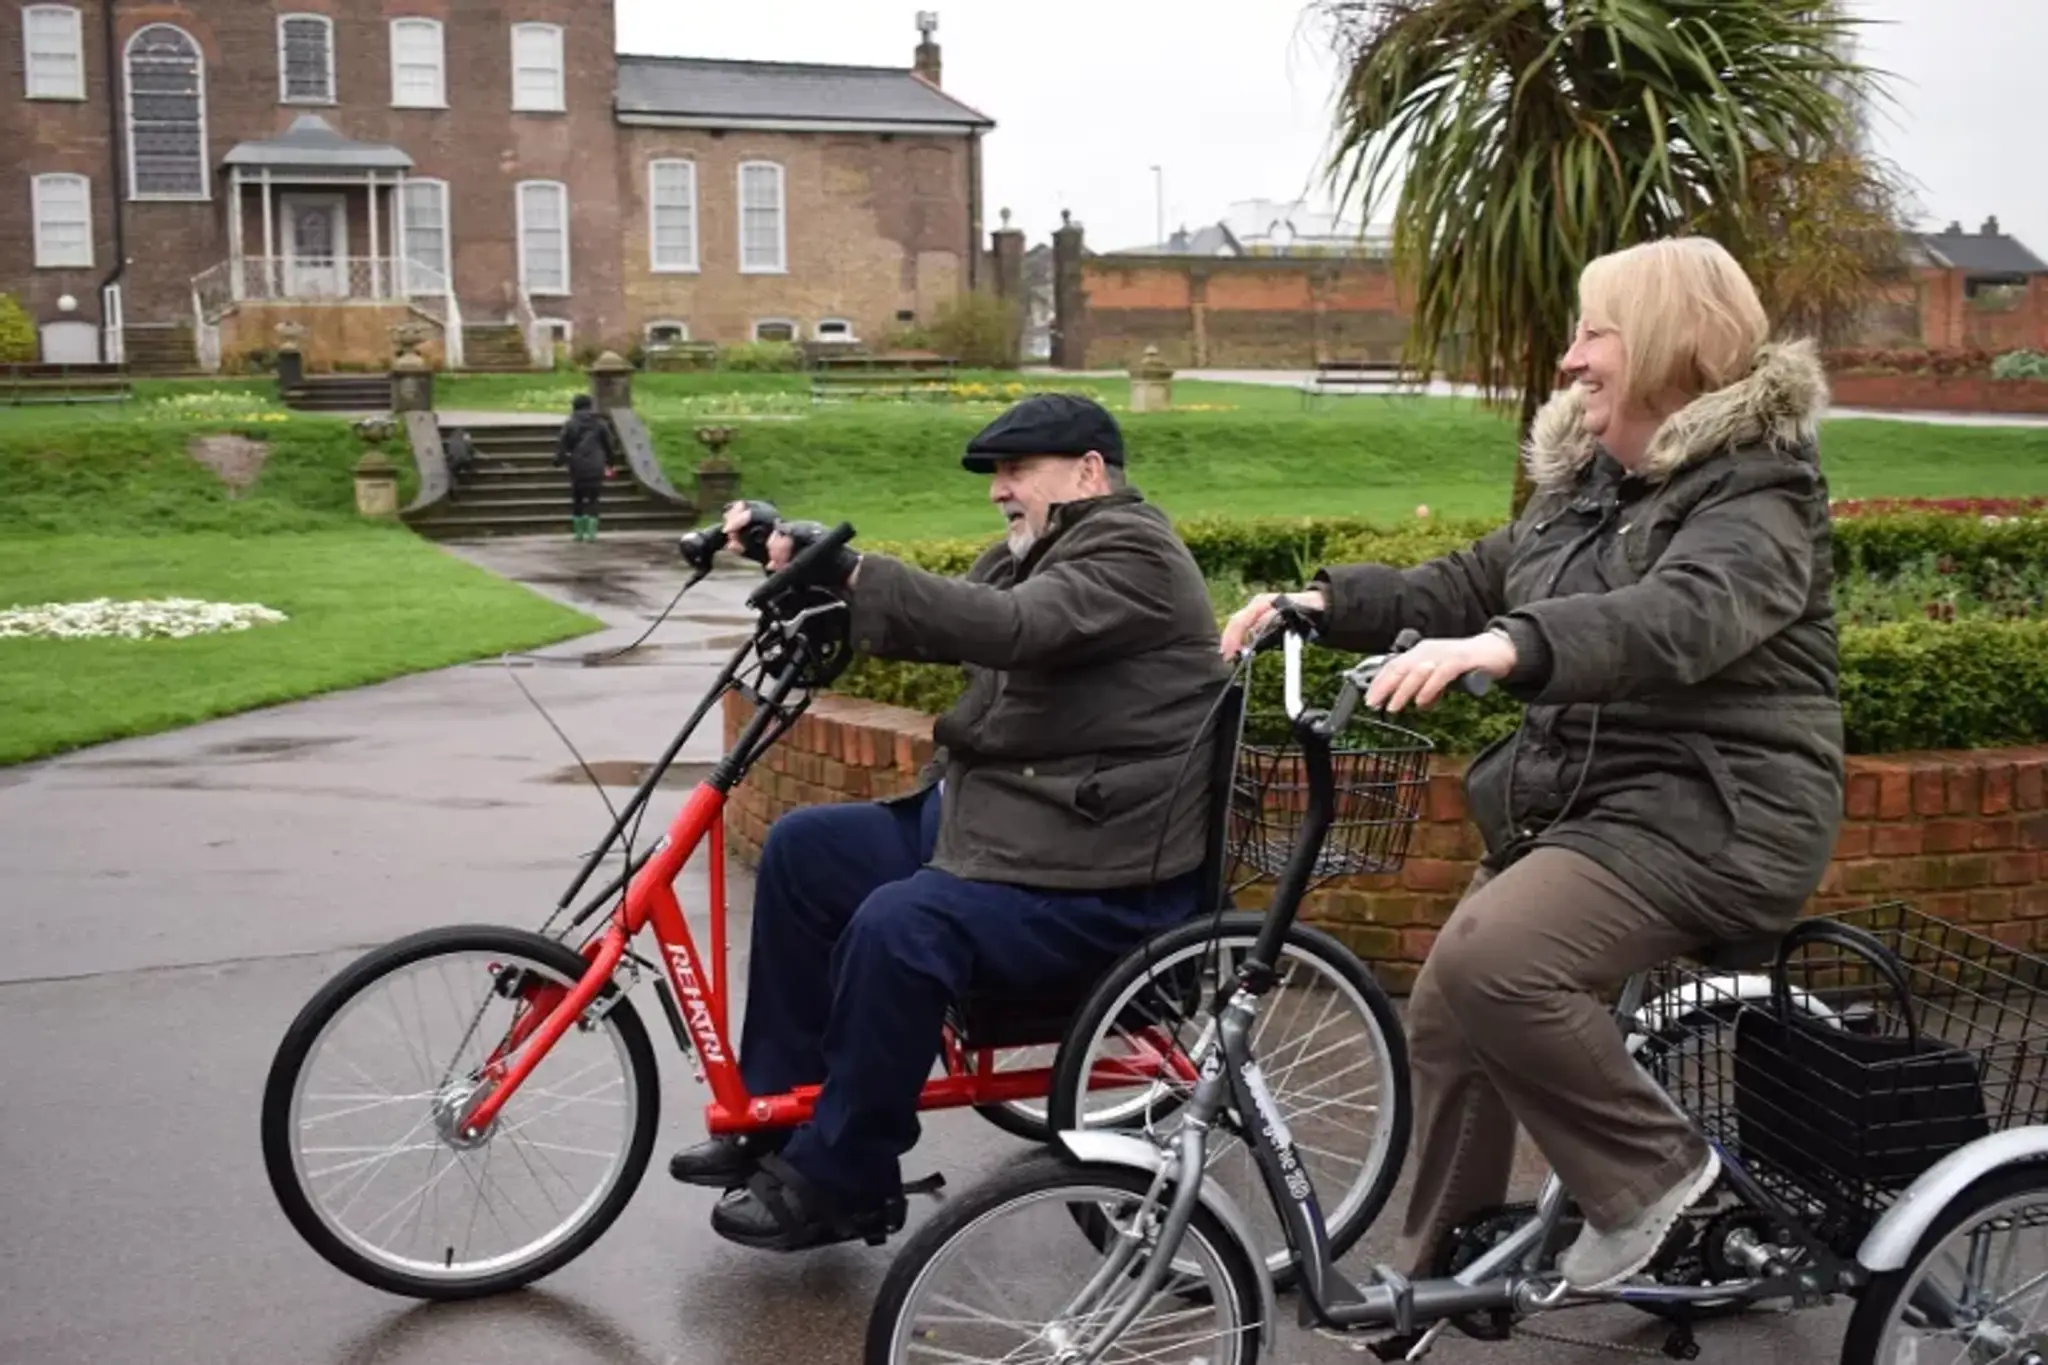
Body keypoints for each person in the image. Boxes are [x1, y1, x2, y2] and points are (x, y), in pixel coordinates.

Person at [1221, 237, 1842, 1293]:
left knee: (1494, 962)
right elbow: (1471, 579)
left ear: (1661, 342)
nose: (1568, 360)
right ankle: (1439, 1276)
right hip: (1587, 808)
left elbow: (1678, 618)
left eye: (1592, 331)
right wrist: (1324, 607)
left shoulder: (1759, 494)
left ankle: (1653, 1178)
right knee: (1448, 1008)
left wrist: (1512, 646)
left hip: (1712, 810)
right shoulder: (1591, 485)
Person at [671, 392, 1230, 1251]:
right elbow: (956, 617)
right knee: (806, 848)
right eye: (995, 475)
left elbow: (1012, 627)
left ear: (1088, 471)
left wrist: (856, 573)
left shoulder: (1132, 552)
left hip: (1100, 868)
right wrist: (803, 558)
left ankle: (846, 1177)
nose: (998, 490)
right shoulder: (1037, 551)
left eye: (1016, 470)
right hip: (1008, 827)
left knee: (902, 927)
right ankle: (779, 1118)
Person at [554, 395, 619, 542]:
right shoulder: (600, 424)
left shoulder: (570, 424)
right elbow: (609, 446)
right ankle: (592, 533)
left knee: (577, 498)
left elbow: (563, 445)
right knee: (594, 498)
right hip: (596, 464)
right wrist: (610, 463)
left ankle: (578, 533)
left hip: (577, 465)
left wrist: (558, 461)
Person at [443, 426, 478, 499]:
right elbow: (470, 448)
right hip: (464, 459)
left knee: (450, 472)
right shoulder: (466, 436)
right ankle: (469, 470)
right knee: (463, 462)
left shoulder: (451, 438)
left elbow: (450, 452)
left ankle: (453, 490)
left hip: (456, 460)